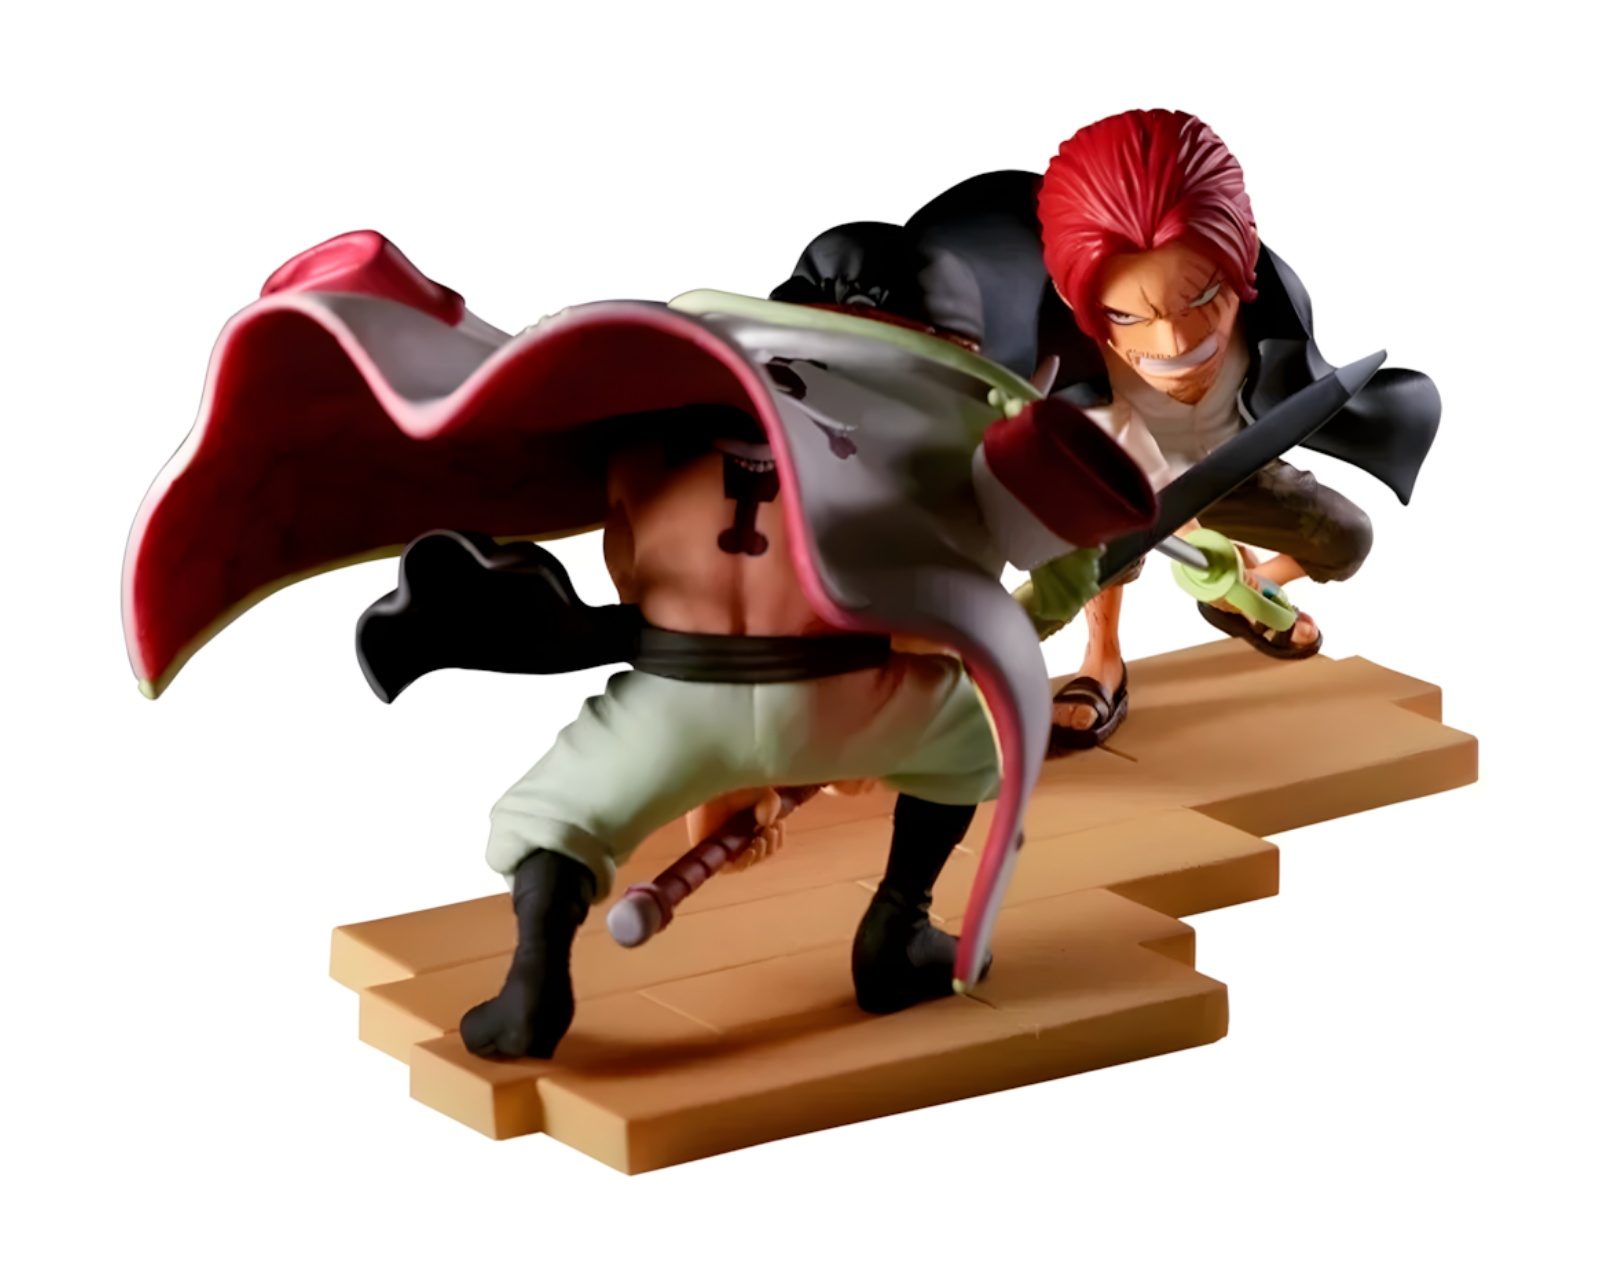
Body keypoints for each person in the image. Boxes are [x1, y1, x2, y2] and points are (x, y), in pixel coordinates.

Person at [1034, 109, 1439, 753]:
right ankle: (1102, 657)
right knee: (1101, 538)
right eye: (1129, 316)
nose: (1175, 343)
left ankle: (1244, 592)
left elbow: (1290, 391)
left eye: (1200, 299)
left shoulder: (1275, 309)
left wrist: (1239, 581)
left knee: (1346, 537)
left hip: (1233, 467)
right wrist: (1196, 541)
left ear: (1242, 254)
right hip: (1126, 487)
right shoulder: (1069, 360)